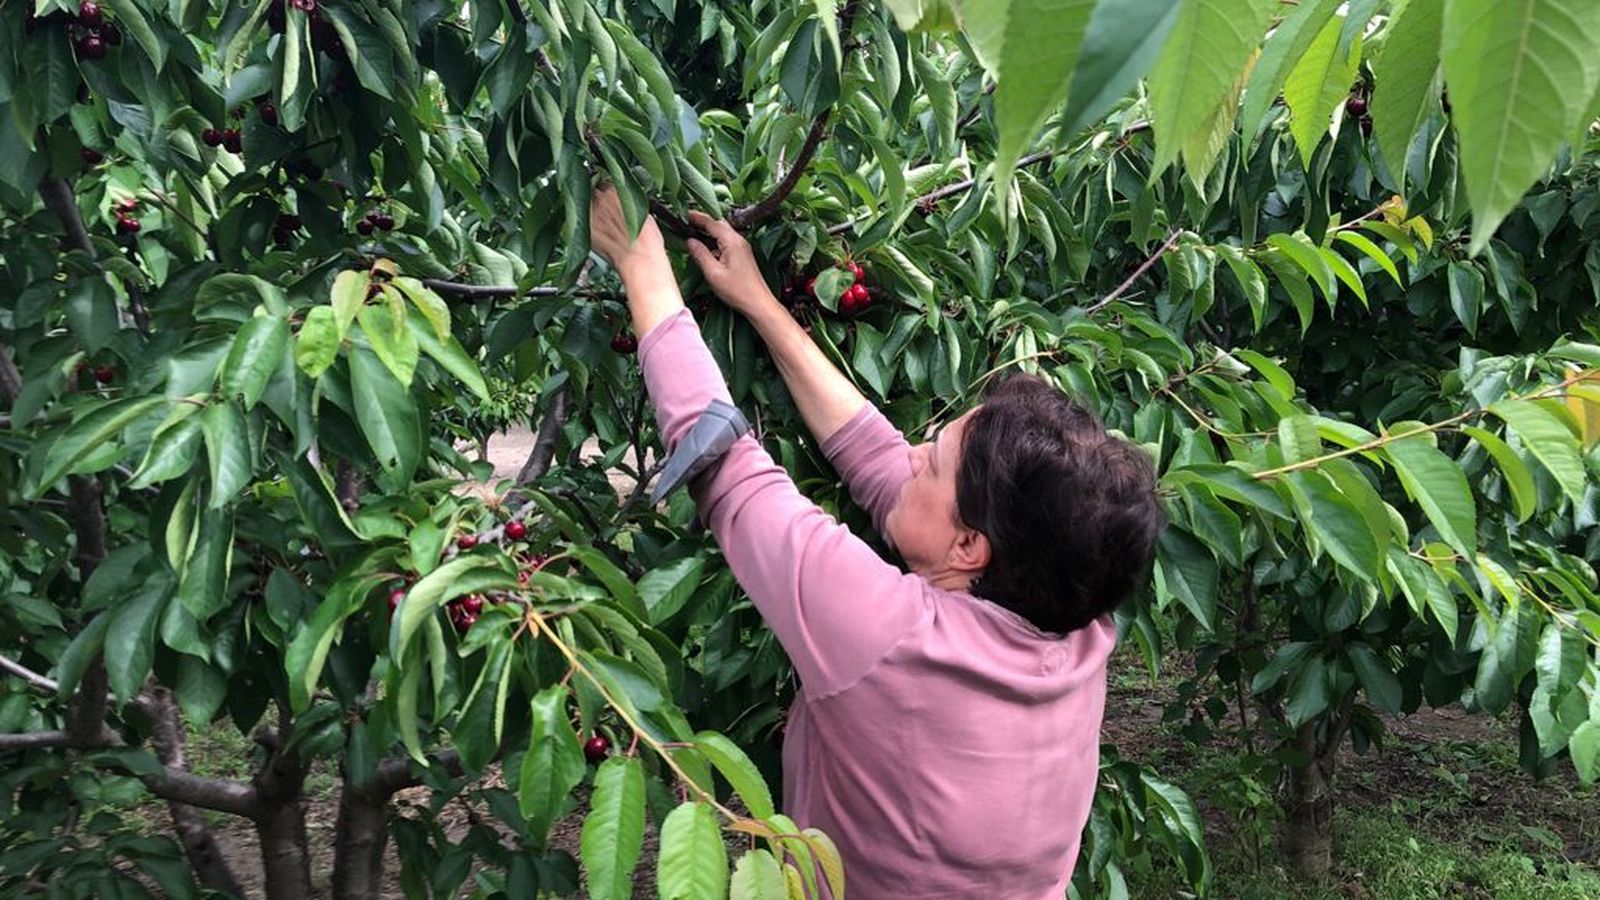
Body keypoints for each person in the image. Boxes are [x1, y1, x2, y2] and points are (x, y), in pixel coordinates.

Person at [588, 186, 1164, 899]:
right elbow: (877, 458)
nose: (914, 452)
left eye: (937, 459)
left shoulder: (888, 635)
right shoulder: (1082, 626)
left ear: (969, 549)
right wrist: (761, 304)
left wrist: (640, 262)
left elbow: (723, 467)